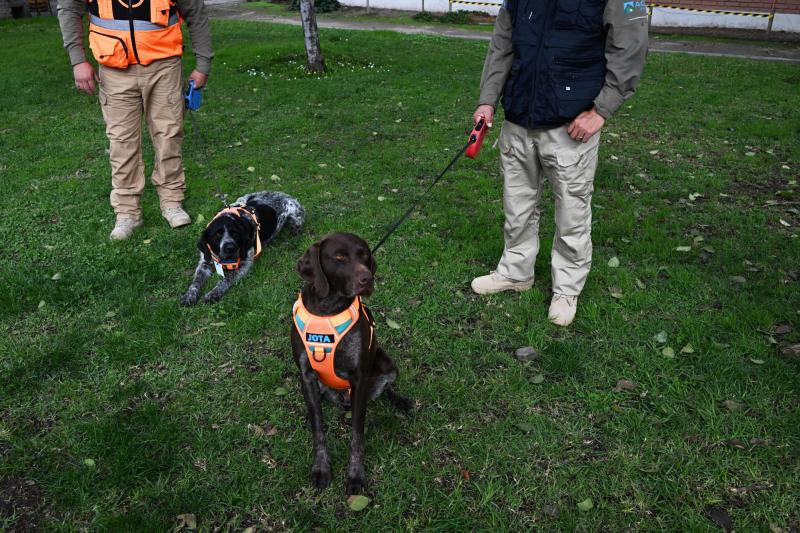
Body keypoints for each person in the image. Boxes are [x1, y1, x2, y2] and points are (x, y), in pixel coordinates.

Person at [470, 0, 648, 326]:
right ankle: (515, 272)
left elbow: (630, 50)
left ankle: (566, 288)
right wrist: (487, 100)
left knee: (572, 211)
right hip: (519, 117)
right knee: (517, 205)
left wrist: (601, 111)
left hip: (571, 125)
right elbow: (501, 47)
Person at [57, 0, 213, 240]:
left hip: (165, 67)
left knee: (169, 135)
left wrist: (203, 64)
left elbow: (196, 12)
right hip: (113, 68)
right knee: (121, 142)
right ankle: (127, 213)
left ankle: (172, 202)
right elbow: (68, 7)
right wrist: (78, 60)